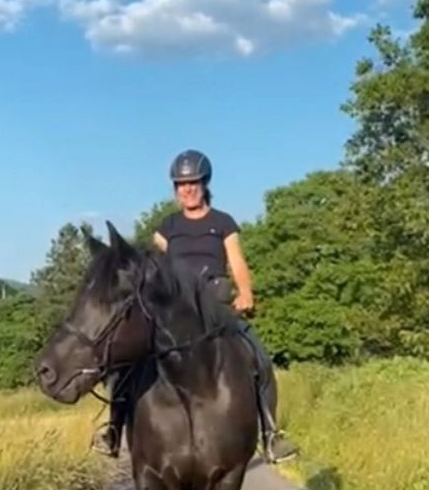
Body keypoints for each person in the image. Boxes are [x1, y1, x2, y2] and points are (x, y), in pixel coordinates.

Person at [91, 148, 298, 464]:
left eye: (192, 183)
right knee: (130, 361)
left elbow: (237, 262)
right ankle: (113, 429)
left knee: (257, 355)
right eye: (180, 184)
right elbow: (152, 265)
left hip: (213, 304)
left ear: (205, 184)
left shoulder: (222, 222)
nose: (186, 189)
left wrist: (245, 293)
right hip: (174, 310)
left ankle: (271, 434)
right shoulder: (169, 226)